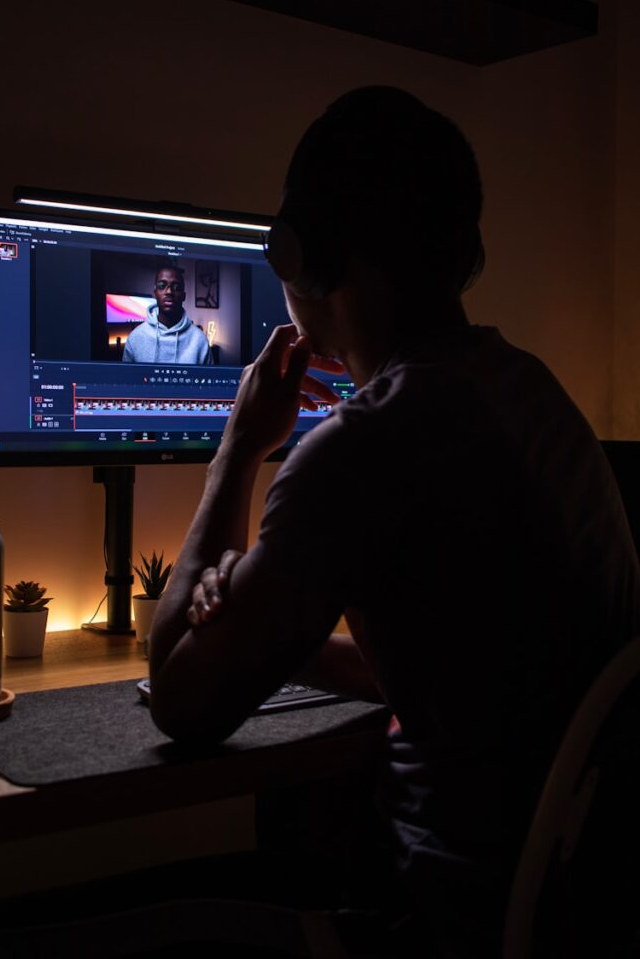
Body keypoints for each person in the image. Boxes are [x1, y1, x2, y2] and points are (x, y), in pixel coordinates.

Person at [149, 87, 640, 955]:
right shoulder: (530, 391)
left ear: (299, 254)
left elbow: (181, 698)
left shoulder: (362, 445)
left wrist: (239, 445)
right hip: (562, 913)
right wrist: (267, 625)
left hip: (436, 924)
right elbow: (444, 666)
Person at [122, 264, 213, 364]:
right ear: (155, 293)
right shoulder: (135, 338)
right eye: (162, 286)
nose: (169, 291)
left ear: (183, 296)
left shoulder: (200, 341)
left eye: (176, 287)